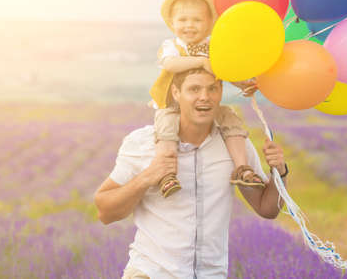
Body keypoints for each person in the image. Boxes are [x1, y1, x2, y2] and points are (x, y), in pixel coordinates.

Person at [95, 67, 288, 279]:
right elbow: (105, 211)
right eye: (194, 89)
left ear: (221, 92)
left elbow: (267, 209)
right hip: (150, 273)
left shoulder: (236, 146)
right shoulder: (142, 143)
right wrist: (147, 177)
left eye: (212, 89)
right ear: (176, 93)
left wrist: (279, 171)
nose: (204, 97)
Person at [149, 0, 263, 198]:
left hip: (205, 104)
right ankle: (167, 174)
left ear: (210, 24)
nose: (189, 25)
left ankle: (242, 168)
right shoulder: (171, 46)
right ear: (172, 23)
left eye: (197, 20)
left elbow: (224, 70)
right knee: (166, 131)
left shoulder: (213, 46)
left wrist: (243, 84)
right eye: (182, 20)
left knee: (231, 120)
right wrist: (202, 61)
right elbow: (170, 64)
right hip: (171, 105)